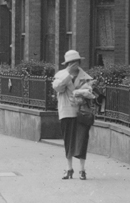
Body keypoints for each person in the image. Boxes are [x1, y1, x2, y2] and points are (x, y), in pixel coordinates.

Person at [52, 50, 98, 180]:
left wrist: (82, 93)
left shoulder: (85, 77)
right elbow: (58, 88)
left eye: (76, 61)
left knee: (82, 140)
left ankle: (82, 170)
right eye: (71, 62)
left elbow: (90, 93)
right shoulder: (61, 75)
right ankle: (69, 168)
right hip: (66, 112)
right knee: (68, 140)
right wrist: (68, 74)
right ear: (67, 63)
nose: (74, 64)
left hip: (82, 112)